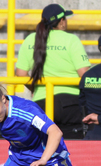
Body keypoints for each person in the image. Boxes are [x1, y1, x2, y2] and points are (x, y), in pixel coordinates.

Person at [15, 3, 90, 139]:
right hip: (70, 104)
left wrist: (35, 87)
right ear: (61, 22)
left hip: (41, 103)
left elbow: (20, 74)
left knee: (44, 148)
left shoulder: (30, 40)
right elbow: (84, 75)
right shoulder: (71, 40)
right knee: (71, 149)